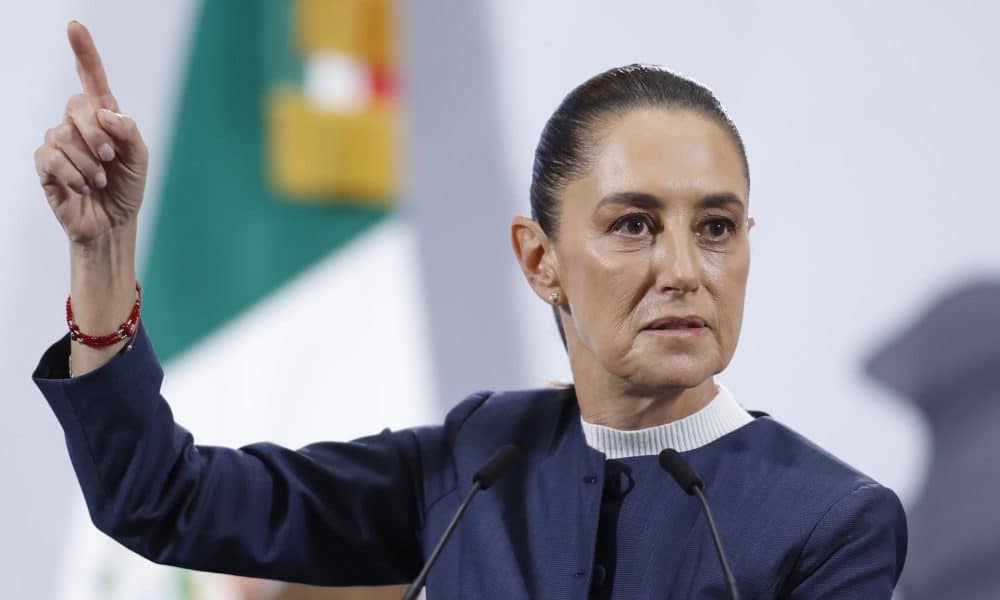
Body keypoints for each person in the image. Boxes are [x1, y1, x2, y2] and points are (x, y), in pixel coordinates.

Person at [32, 21, 907, 599]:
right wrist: (102, 256)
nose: (684, 269)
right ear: (539, 260)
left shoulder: (832, 523)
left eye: (716, 227)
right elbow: (165, 502)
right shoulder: (478, 461)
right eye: (634, 224)